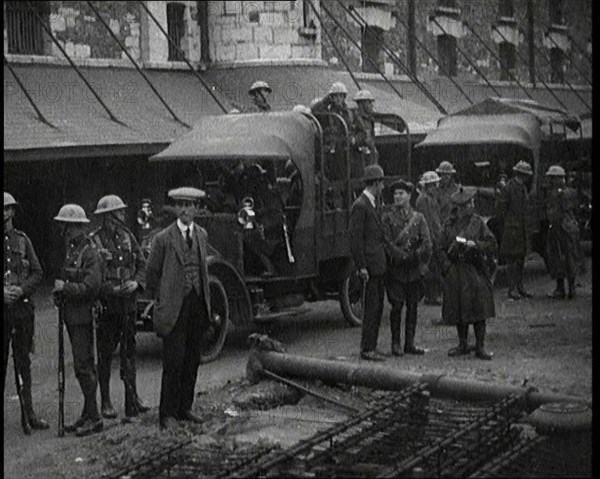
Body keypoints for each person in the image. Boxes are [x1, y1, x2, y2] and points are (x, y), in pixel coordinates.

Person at [146, 187, 211, 430]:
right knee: (173, 361)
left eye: (189, 204)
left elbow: (202, 269)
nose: (184, 209)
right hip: (174, 306)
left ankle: (185, 408)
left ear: (196, 209)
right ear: (175, 208)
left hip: (197, 303)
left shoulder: (202, 235)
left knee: (192, 359)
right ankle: (167, 414)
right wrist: (162, 299)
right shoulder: (163, 239)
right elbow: (151, 274)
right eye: (180, 204)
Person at [91, 195, 149, 421]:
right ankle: (105, 401)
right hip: (108, 306)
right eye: (119, 213)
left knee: (129, 354)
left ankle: (132, 398)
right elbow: (93, 276)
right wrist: (109, 290)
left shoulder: (128, 236)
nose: (123, 216)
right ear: (108, 217)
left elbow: (142, 264)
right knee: (105, 356)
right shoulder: (94, 241)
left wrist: (136, 283)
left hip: (128, 305)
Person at [53, 204, 103, 436]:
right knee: (82, 367)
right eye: (64, 226)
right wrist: (59, 294)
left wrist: (66, 288)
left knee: (84, 367)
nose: (65, 230)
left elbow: (90, 287)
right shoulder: (73, 250)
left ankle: (94, 417)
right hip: (72, 316)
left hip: (83, 316)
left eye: (68, 226)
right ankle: (87, 413)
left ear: (78, 227)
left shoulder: (89, 252)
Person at [3, 192, 49, 432]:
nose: (3, 214)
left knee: (23, 364)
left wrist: (20, 290)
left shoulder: (22, 241)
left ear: (12, 212)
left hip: (21, 311)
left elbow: (38, 272)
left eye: (6, 209)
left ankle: (29, 413)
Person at [440, 187, 497, 360]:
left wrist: (476, 245)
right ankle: (462, 344)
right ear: (461, 206)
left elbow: (491, 242)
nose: (471, 205)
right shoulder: (448, 225)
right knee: (459, 308)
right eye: (469, 203)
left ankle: (480, 346)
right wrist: (447, 266)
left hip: (474, 269)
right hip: (456, 269)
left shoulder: (478, 223)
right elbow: (440, 248)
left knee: (480, 307)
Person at [381, 180, 431, 356]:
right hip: (396, 269)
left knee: (413, 306)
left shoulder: (418, 218)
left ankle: (410, 343)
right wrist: (402, 256)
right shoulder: (387, 217)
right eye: (395, 194)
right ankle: (396, 343)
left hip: (414, 270)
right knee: (396, 306)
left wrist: (416, 256)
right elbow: (386, 243)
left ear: (409, 196)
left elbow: (426, 242)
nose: (397, 197)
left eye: (401, 193)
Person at [349, 165, 387, 362]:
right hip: (370, 266)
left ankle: (372, 346)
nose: (383, 187)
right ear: (376, 183)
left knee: (378, 306)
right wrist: (361, 266)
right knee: (371, 308)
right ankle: (367, 348)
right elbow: (355, 240)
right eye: (381, 183)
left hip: (377, 265)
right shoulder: (361, 206)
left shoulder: (370, 204)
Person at [496, 161, 534, 300]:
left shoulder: (522, 188)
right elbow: (500, 211)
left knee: (521, 259)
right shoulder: (508, 189)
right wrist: (507, 225)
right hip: (512, 229)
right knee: (511, 260)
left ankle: (520, 287)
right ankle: (512, 289)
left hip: (522, 229)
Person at [544, 165, 581, 299]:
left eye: (551, 178)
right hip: (571, 227)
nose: (549, 181)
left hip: (559, 228)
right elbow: (576, 209)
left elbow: (554, 214)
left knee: (557, 257)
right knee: (571, 257)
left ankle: (560, 289)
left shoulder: (555, 194)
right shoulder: (572, 192)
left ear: (556, 179)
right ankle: (571, 289)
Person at [311, 82, 354, 180]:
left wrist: (353, 138)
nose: (338, 98)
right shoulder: (327, 113)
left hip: (346, 150)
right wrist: (326, 100)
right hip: (332, 150)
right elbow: (315, 110)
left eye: (341, 96)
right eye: (335, 96)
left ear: (344, 97)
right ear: (331, 98)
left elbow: (354, 129)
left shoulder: (349, 113)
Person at [415, 171, 443, 306]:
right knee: (431, 267)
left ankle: (433, 295)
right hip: (429, 236)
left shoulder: (430, 198)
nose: (435, 187)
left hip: (435, 235)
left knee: (435, 266)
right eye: (433, 185)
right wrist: (431, 238)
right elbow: (427, 220)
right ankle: (432, 295)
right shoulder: (423, 199)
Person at [352, 90, 380, 178]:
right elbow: (353, 138)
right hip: (359, 155)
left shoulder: (369, 118)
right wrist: (362, 140)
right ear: (362, 104)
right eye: (369, 102)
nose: (371, 105)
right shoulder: (355, 119)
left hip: (369, 154)